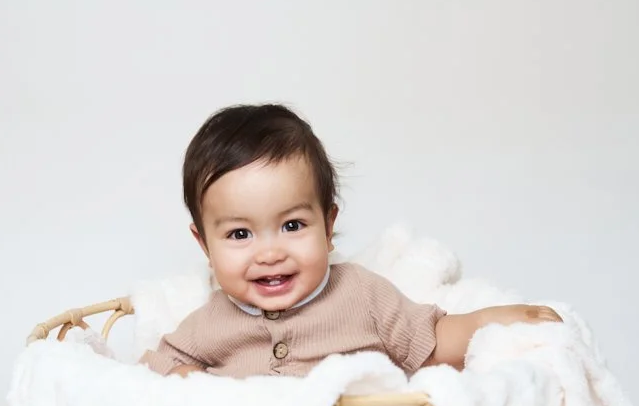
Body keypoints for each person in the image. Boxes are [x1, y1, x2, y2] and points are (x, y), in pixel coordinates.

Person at [141, 104, 561, 378]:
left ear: (328, 225)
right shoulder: (211, 320)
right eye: (239, 234)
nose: (269, 254)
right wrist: (187, 381)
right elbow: (155, 367)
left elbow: (430, 343)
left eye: (292, 226)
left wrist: (489, 321)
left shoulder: (362, 294)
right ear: (205, 247)